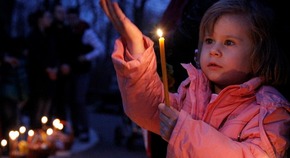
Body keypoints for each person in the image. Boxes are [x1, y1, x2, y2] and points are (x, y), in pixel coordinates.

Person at [99, 0, 290, 157]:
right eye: (209, 40)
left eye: (229, 42)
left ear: (258, 54)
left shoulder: (269, 112)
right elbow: (149, 109)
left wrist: (184, 132)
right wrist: (136, 50)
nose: (214, 50)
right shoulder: (192, 92)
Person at [65, 7, 104, 142]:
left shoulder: (86, 31)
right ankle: (75, 130)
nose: (71, 20)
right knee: (71, 101)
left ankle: (84, 130)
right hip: (71, 71)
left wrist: (86, 57)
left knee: (79, 100)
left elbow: (100, 48)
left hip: (82, 72)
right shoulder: (68, 31)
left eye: (73, 18)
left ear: (77, 17)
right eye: (68, 18)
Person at [26, 8, 58, 129]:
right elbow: (35, 56)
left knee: (47, 103)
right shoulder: (34, 36)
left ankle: (42, 130)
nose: (50, 20)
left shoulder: (49, 35)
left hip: (49, 77)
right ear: (40, 19)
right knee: (37, 104)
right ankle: (35, 131)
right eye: (47, 17)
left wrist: (54, 68)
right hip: (38, 76)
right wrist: (47, 68)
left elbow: (53, 54)